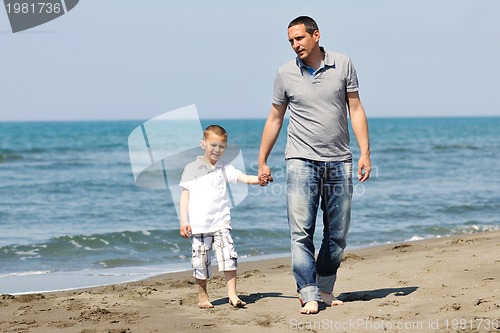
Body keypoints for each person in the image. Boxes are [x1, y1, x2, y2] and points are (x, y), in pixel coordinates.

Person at [258, 16, 371, 315]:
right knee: (301, 231)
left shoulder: (343, 64)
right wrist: (262, 161)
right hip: (300, 159)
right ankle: (308, 292)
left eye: (299, 38)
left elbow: (356, 108)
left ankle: (325, 286)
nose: (295, 45)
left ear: (316, 35)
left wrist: (365, 153)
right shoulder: (284, 74)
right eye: (291, 41)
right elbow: (275, 118)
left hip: (339, 159)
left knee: (337, 233)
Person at [179, 125, 262, 309]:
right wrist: (184, 221)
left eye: (222, 146)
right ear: (203, 144)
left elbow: (244, 178)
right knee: (200, 263)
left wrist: (260, 179)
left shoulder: (225, 168)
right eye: (213, 145)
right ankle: (203, 296)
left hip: (221, 223)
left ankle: (232, 295)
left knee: (228, 257)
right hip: (199, 225)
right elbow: (185, 195)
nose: (217, 150)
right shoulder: (192, 168)